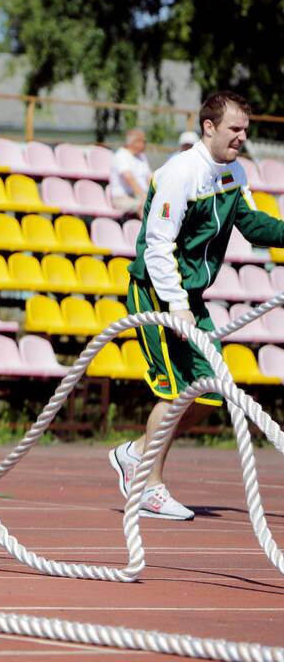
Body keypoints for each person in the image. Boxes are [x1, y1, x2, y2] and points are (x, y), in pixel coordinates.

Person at [108, 91, 284, 520]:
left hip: (191, 297)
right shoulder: (180, 173)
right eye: (234, 129)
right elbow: (157, 245)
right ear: (209, 127)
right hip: (157, 291)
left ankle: (134, 454)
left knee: (207, 395)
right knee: (173, 391)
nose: (242, 137)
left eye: (246, 129)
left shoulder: (233, 172)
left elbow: (254, 226)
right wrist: (175, 304)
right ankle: (149, 486)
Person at [108, 128, 151, 217]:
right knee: (144, 205)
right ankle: (146, 230)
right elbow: (129, 178)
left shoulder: (142, 157)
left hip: (138, 196)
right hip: (122, 198)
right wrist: (144, 197)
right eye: (143, 141)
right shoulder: (121, 155)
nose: (145, 144)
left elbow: (149, 177)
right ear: (134, 142)